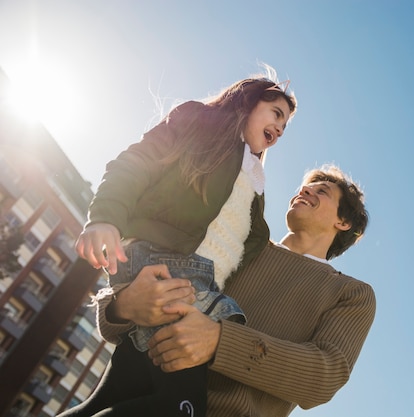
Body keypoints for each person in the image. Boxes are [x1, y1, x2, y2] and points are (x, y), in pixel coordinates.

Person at [60, 68, 297, 417]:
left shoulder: (254, 185)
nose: (279, 128)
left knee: (111, 400)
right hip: (167, 267)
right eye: (276, 113)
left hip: (196, 281)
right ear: (249, 100)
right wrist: (104, 218)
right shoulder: (199, 121)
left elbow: (251, 243)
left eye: (285, 126)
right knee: (180, 409)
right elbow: (135, 162)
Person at [91, 165, 376, 417]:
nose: (305, 190)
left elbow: (322, 377)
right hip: (124, 396)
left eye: (322, 191)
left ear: (344, 222)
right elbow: (150, 279)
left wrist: (219, 341)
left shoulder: (351, 294)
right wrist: (120, 305)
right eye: (305, 186)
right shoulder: (237, 242)